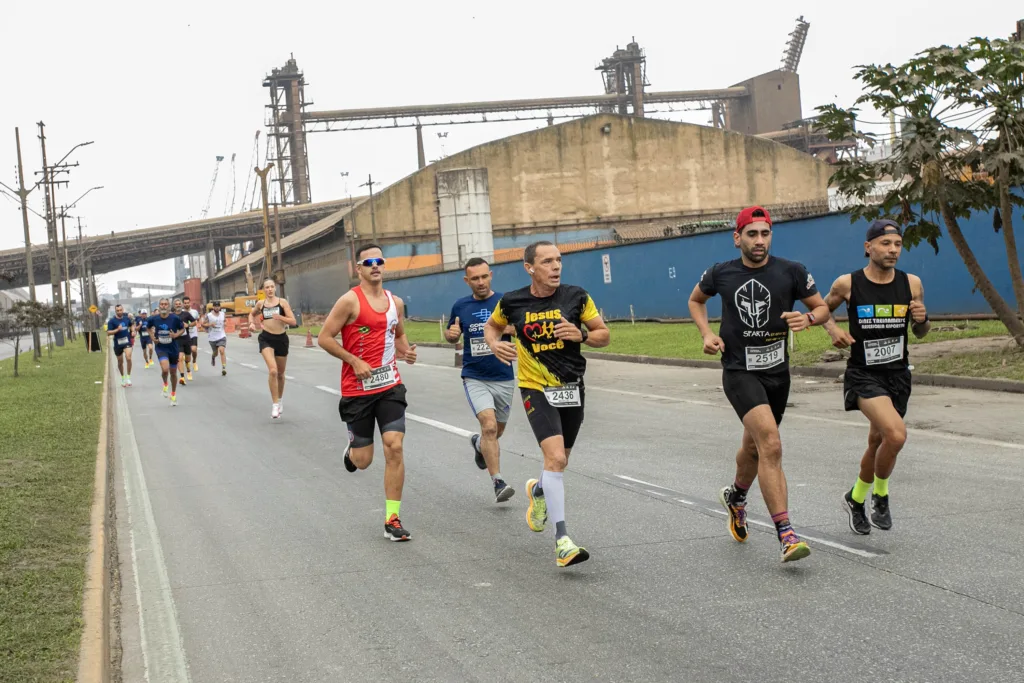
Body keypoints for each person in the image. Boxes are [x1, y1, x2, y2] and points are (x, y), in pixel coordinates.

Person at [688, 206, 829, 564]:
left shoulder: (792, 271)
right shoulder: (721, 273)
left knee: (754, 448)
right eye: (752, 234)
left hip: (777, 373)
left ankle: (736, 496)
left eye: (765, 234)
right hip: (738, 371)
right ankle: (787, 534)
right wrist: (706, 334)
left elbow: (823, 307)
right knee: (771, 442)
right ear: (738, 238)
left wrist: (809, 317)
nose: (759, 241)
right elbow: (695, 300)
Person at [484, 241, 610, 568]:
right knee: (553, 457)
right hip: (535, 386)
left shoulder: (577, 296)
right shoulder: (511, 302)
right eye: (547, 262)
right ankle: (563, 540)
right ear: (530, 267)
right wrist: (495, 345)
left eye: (558, 260)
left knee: (561, 461)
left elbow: (603, 334)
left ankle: (538, 492)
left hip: (571, 387)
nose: (556, 267)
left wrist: (581, 335)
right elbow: (492, 327)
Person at [823, 219, 930, 534]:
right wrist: (833, 330)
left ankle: (855, 498)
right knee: (896, 435)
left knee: (878, 440)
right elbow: (821, 309)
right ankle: (880, 496)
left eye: (897, 244)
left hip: (897, 375)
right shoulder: (848, 284)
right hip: (863, 375)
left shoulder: (912, 284)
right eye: (886, 244)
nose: (893, 250)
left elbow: (920, 332)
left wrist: (923, 321)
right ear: (868, 247)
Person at [318, 244, 418, 541]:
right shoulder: (349, 301)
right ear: (358, 269)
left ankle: (392, 518)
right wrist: (353, 359)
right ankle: (352, 451)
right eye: (368, 262)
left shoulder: (395, 302)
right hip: (357, 388)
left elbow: (398, 335)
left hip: (389, 385)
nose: (376, 266)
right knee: (364, 461)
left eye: (380, 261)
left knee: (394, 446)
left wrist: (406, 352)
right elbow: (324, 338)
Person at [444, 257, 518, 503]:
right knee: (489, 426)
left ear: (491, 275)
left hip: (504, 376)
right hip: (475, 376)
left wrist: (509, 329)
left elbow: (524, 328)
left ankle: (479, 445)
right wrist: (451, 335)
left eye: (484, 276)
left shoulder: (505, 302)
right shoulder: (460, 305)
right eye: (474, 278)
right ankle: (498, 481)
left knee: (496, 431)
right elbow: (451, 333)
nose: (480, 282)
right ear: (467, 281)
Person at [249, 278, 297, 418]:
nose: (269, 290)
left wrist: (280, 317)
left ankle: (280, 400)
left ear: (275, 288)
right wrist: (251, 324)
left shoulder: (282, 302)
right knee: (273, 371)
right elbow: (251, 314)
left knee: (281, 374)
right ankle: (274, 404)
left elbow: (293, 321)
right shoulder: (261, 304)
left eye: (271, 287)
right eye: (267, 287)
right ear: (263, 290)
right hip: (266, 338)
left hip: (281, 339)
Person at [147, 298, 186, 406]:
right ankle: (165, 384)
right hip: (161, 347)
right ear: (159, 306)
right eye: (162, 304)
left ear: (169, 306)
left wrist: (175, 335)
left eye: (166, 304)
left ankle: (173, 395)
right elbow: (148, 328)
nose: (163, 306)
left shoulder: (175, 318)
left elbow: (182, 329)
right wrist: (152, 338)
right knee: (165, 369)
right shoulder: (154, 318)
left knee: (173, 372)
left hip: (173, 348)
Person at [106, 304, 135, 387]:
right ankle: (123, 378)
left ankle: (128, 377)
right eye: (117, 310)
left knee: (128, 357)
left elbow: (131, 325)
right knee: (120, 362)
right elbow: (108, 332)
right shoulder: (112, 321)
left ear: (123, 310)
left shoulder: (126, 318)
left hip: (127, 342)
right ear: (115, 311)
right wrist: (117, 330)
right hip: (117, 344)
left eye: (120, 310)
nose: (119, 312)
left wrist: (132, 331)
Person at [203, 300, 229, 376]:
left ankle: (224, 368)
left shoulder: (222, 314)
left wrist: (225, 323)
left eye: (218, 306)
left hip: (221, 336)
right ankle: (213, 357)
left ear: (220, 307)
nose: (217, 308)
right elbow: (203, 324)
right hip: (212, 337)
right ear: (213, 307)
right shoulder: (209, 315)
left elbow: (225, 321)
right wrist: (210, 324)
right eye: (215, 306)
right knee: (216, 353)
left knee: (222, 350)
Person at [173, 299, 195, 384]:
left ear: (181, 305)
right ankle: (182, 377)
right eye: (176, 304)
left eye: (179, 304)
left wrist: (188, 325)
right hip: (177, 340)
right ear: (174, 306)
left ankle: (188, 368)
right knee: (179, 358)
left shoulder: (186, 314)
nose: (178, 305)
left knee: (188, 358)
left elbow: (194, 322)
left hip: (186, 339)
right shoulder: (171, 316)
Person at [183, 296, 202, 375]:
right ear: (183, 304)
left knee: (193, 349)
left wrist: (198, 325)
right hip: (184, 334)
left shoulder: (194, 312)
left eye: (188, 303)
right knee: (187, 354)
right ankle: (188, 370)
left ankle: (194, 361)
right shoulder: (181, 312)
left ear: (190, 303)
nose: (186, 304)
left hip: (193, 333)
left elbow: (198, 319)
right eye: (185, 303)